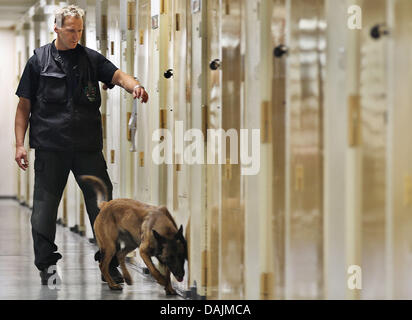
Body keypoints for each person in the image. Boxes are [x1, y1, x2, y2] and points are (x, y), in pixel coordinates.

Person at [14, 5, 149, 286]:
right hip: (51, 149)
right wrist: (19, 145)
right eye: (70, 30)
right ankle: (47, 267)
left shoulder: (90, 59)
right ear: (57, 28)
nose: (75, 35)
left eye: (79, 30)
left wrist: (133, 85)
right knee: (43, 212)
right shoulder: (38, 61)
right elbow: (23, 107)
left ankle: (109, 264)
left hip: (87, 149)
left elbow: (118, 75)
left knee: (104, 209)